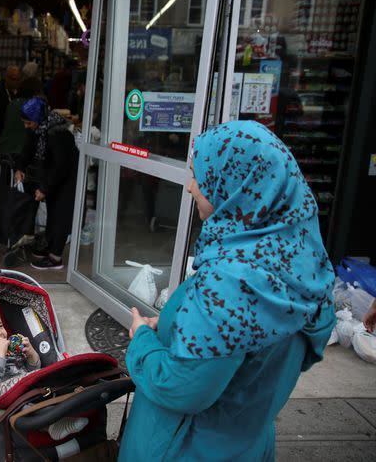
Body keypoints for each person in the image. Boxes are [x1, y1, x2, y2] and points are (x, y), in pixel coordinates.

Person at [120, 120, 336, 462]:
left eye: (201, 177)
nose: (191, 187)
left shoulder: (231, 284)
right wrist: (179, 328)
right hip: (247, 442)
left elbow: (181, 387)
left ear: (240, 186)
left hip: (187, 448)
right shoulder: (303, 259)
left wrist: (142, 339)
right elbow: (274, 348)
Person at [0, 302, 87, 440]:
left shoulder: (10, 349)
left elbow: (30, 370)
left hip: (28, 387)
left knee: (50, 382)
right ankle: (54, 425)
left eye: (0, 326)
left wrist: (31, 354)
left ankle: (69, 405)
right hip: (8, 397)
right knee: (27, 409)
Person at [14, 97, 78, 270]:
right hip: (52, 175)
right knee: (52, 213)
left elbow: (61, 165)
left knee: (60, 215)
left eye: (28, 122)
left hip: (66, 177)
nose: (26, 126)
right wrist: (19, 167)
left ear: (37, 118)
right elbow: (27, 150)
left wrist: (45, 188)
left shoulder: (58, 133)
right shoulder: (38, 128)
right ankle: (49, 247)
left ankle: (55, 258)